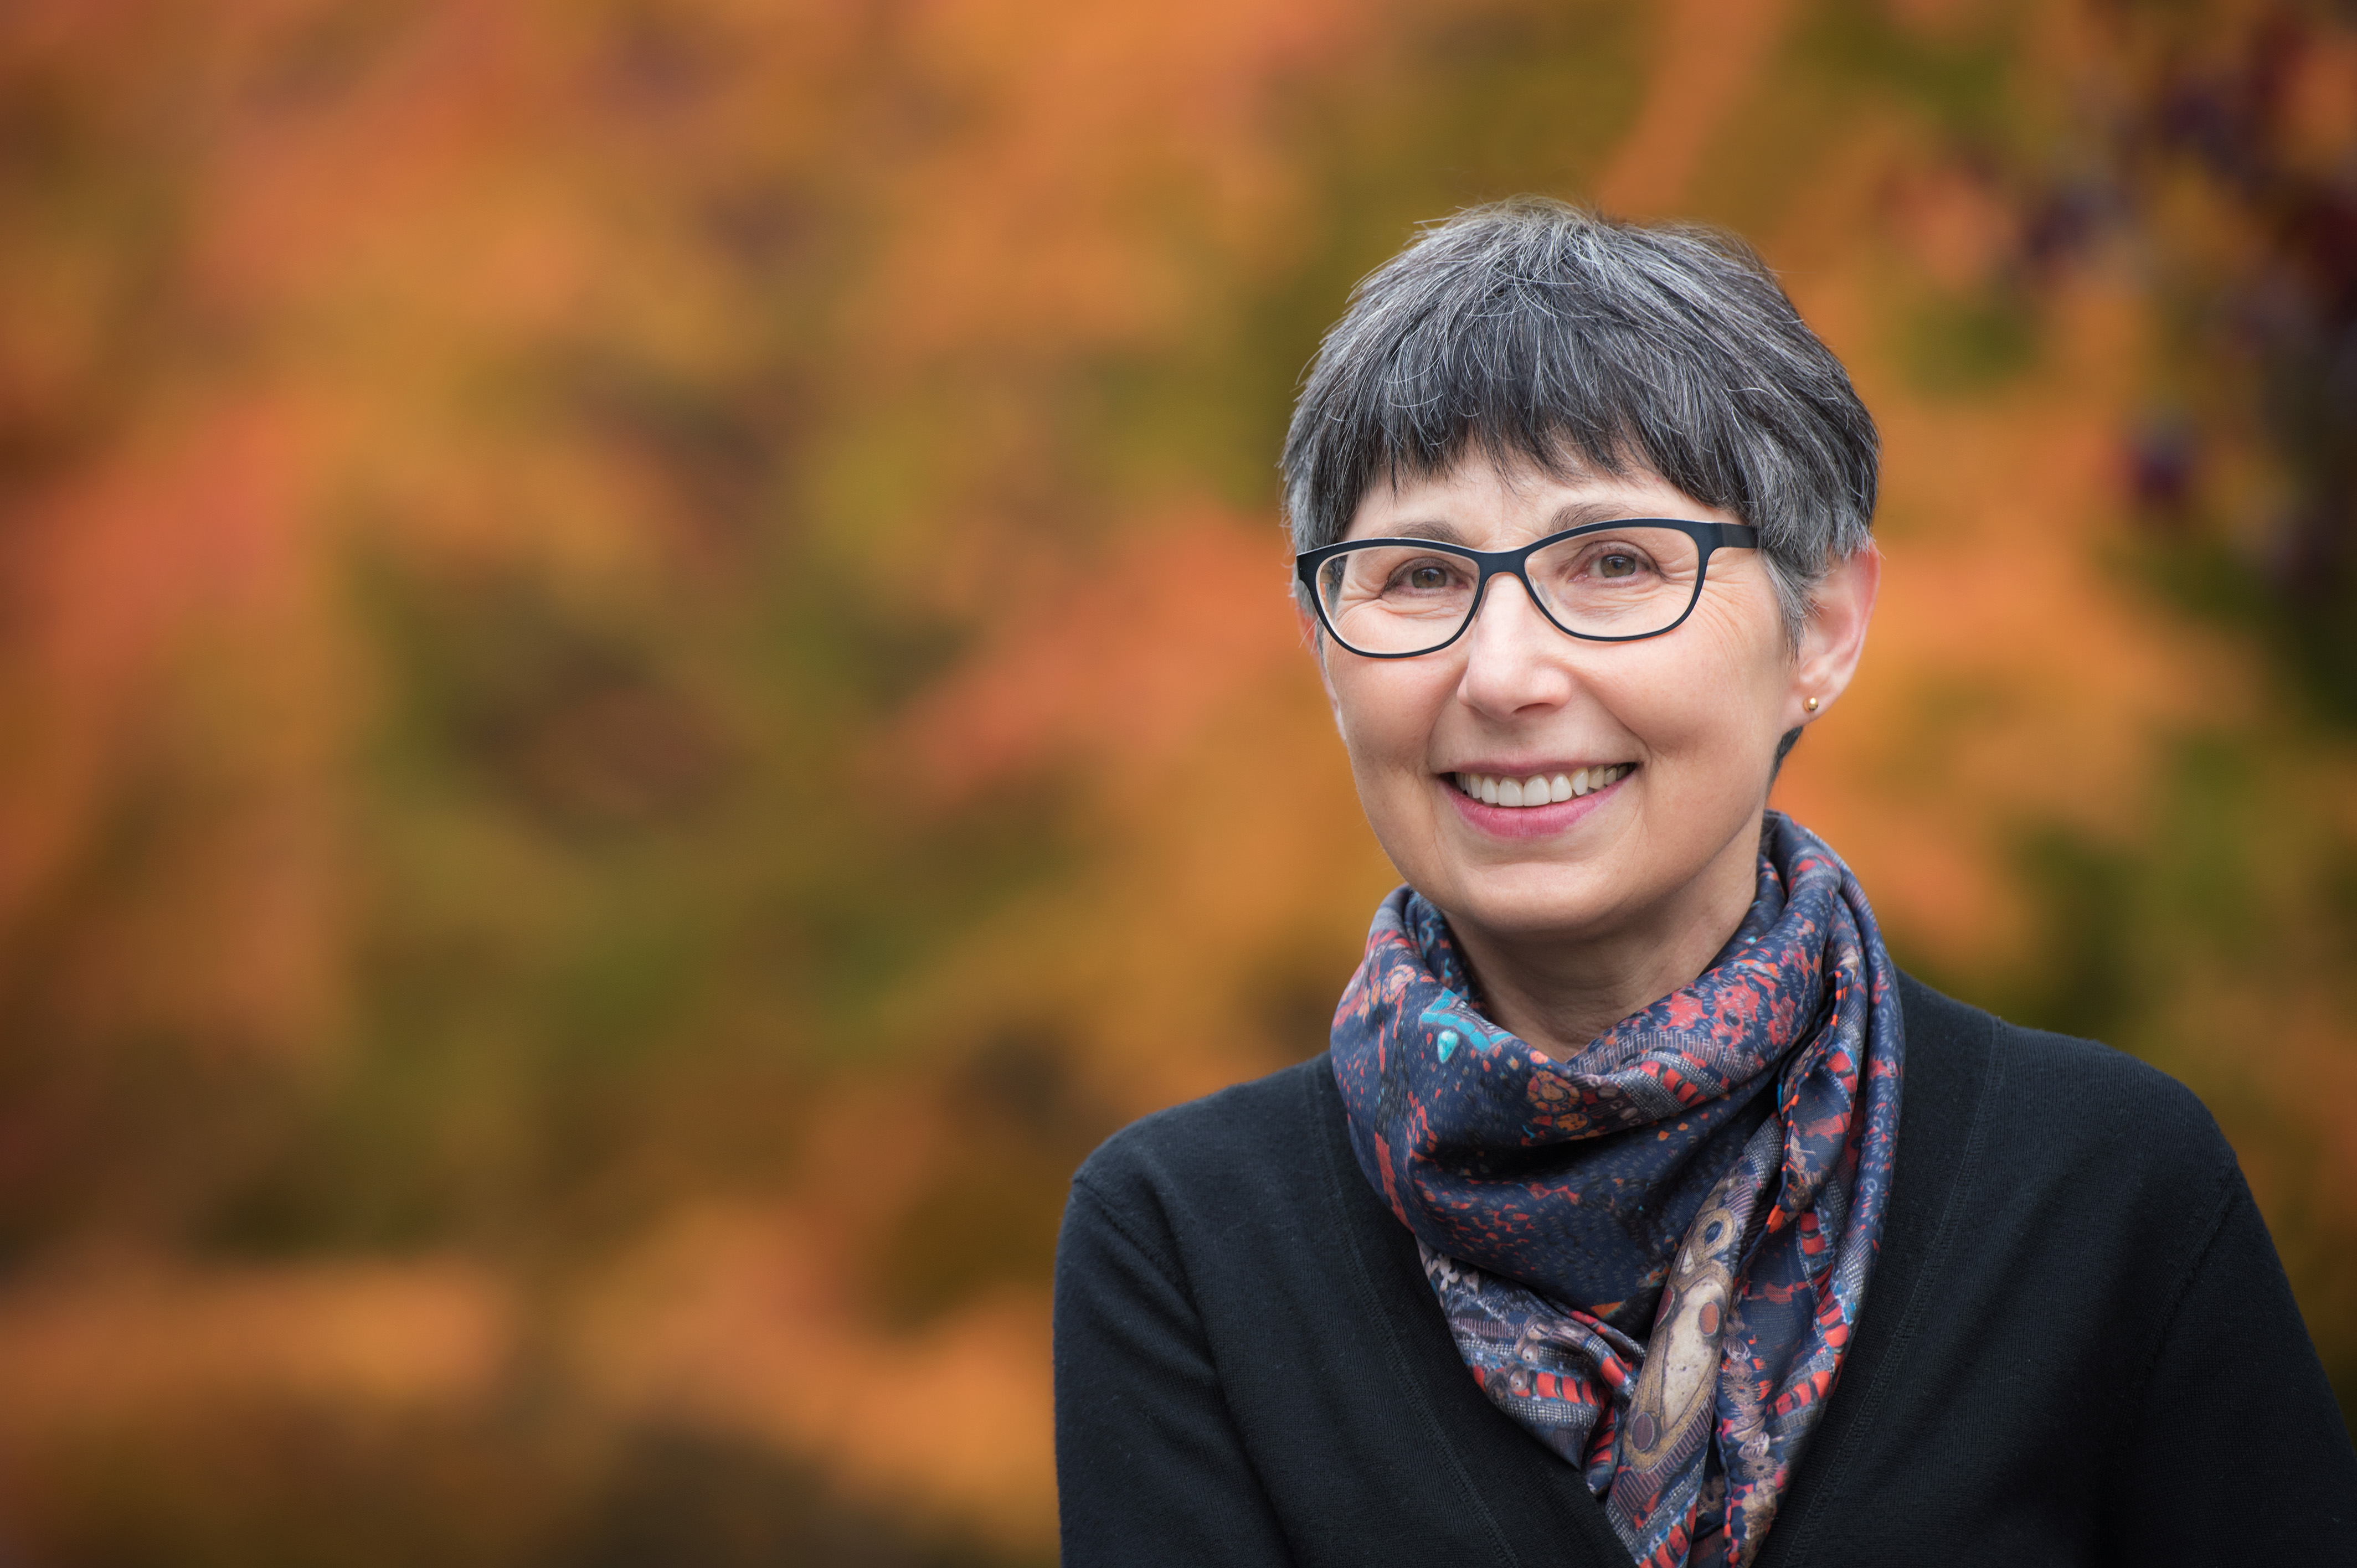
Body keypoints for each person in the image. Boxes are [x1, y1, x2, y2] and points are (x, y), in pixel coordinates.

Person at [1051, 199, 2357, 1566]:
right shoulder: (1186, 1245)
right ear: (1326, 646)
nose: (1501, 675)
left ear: (1824, 627)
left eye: (1612, 563)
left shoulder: (2102, 1192)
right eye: (1420, 577)